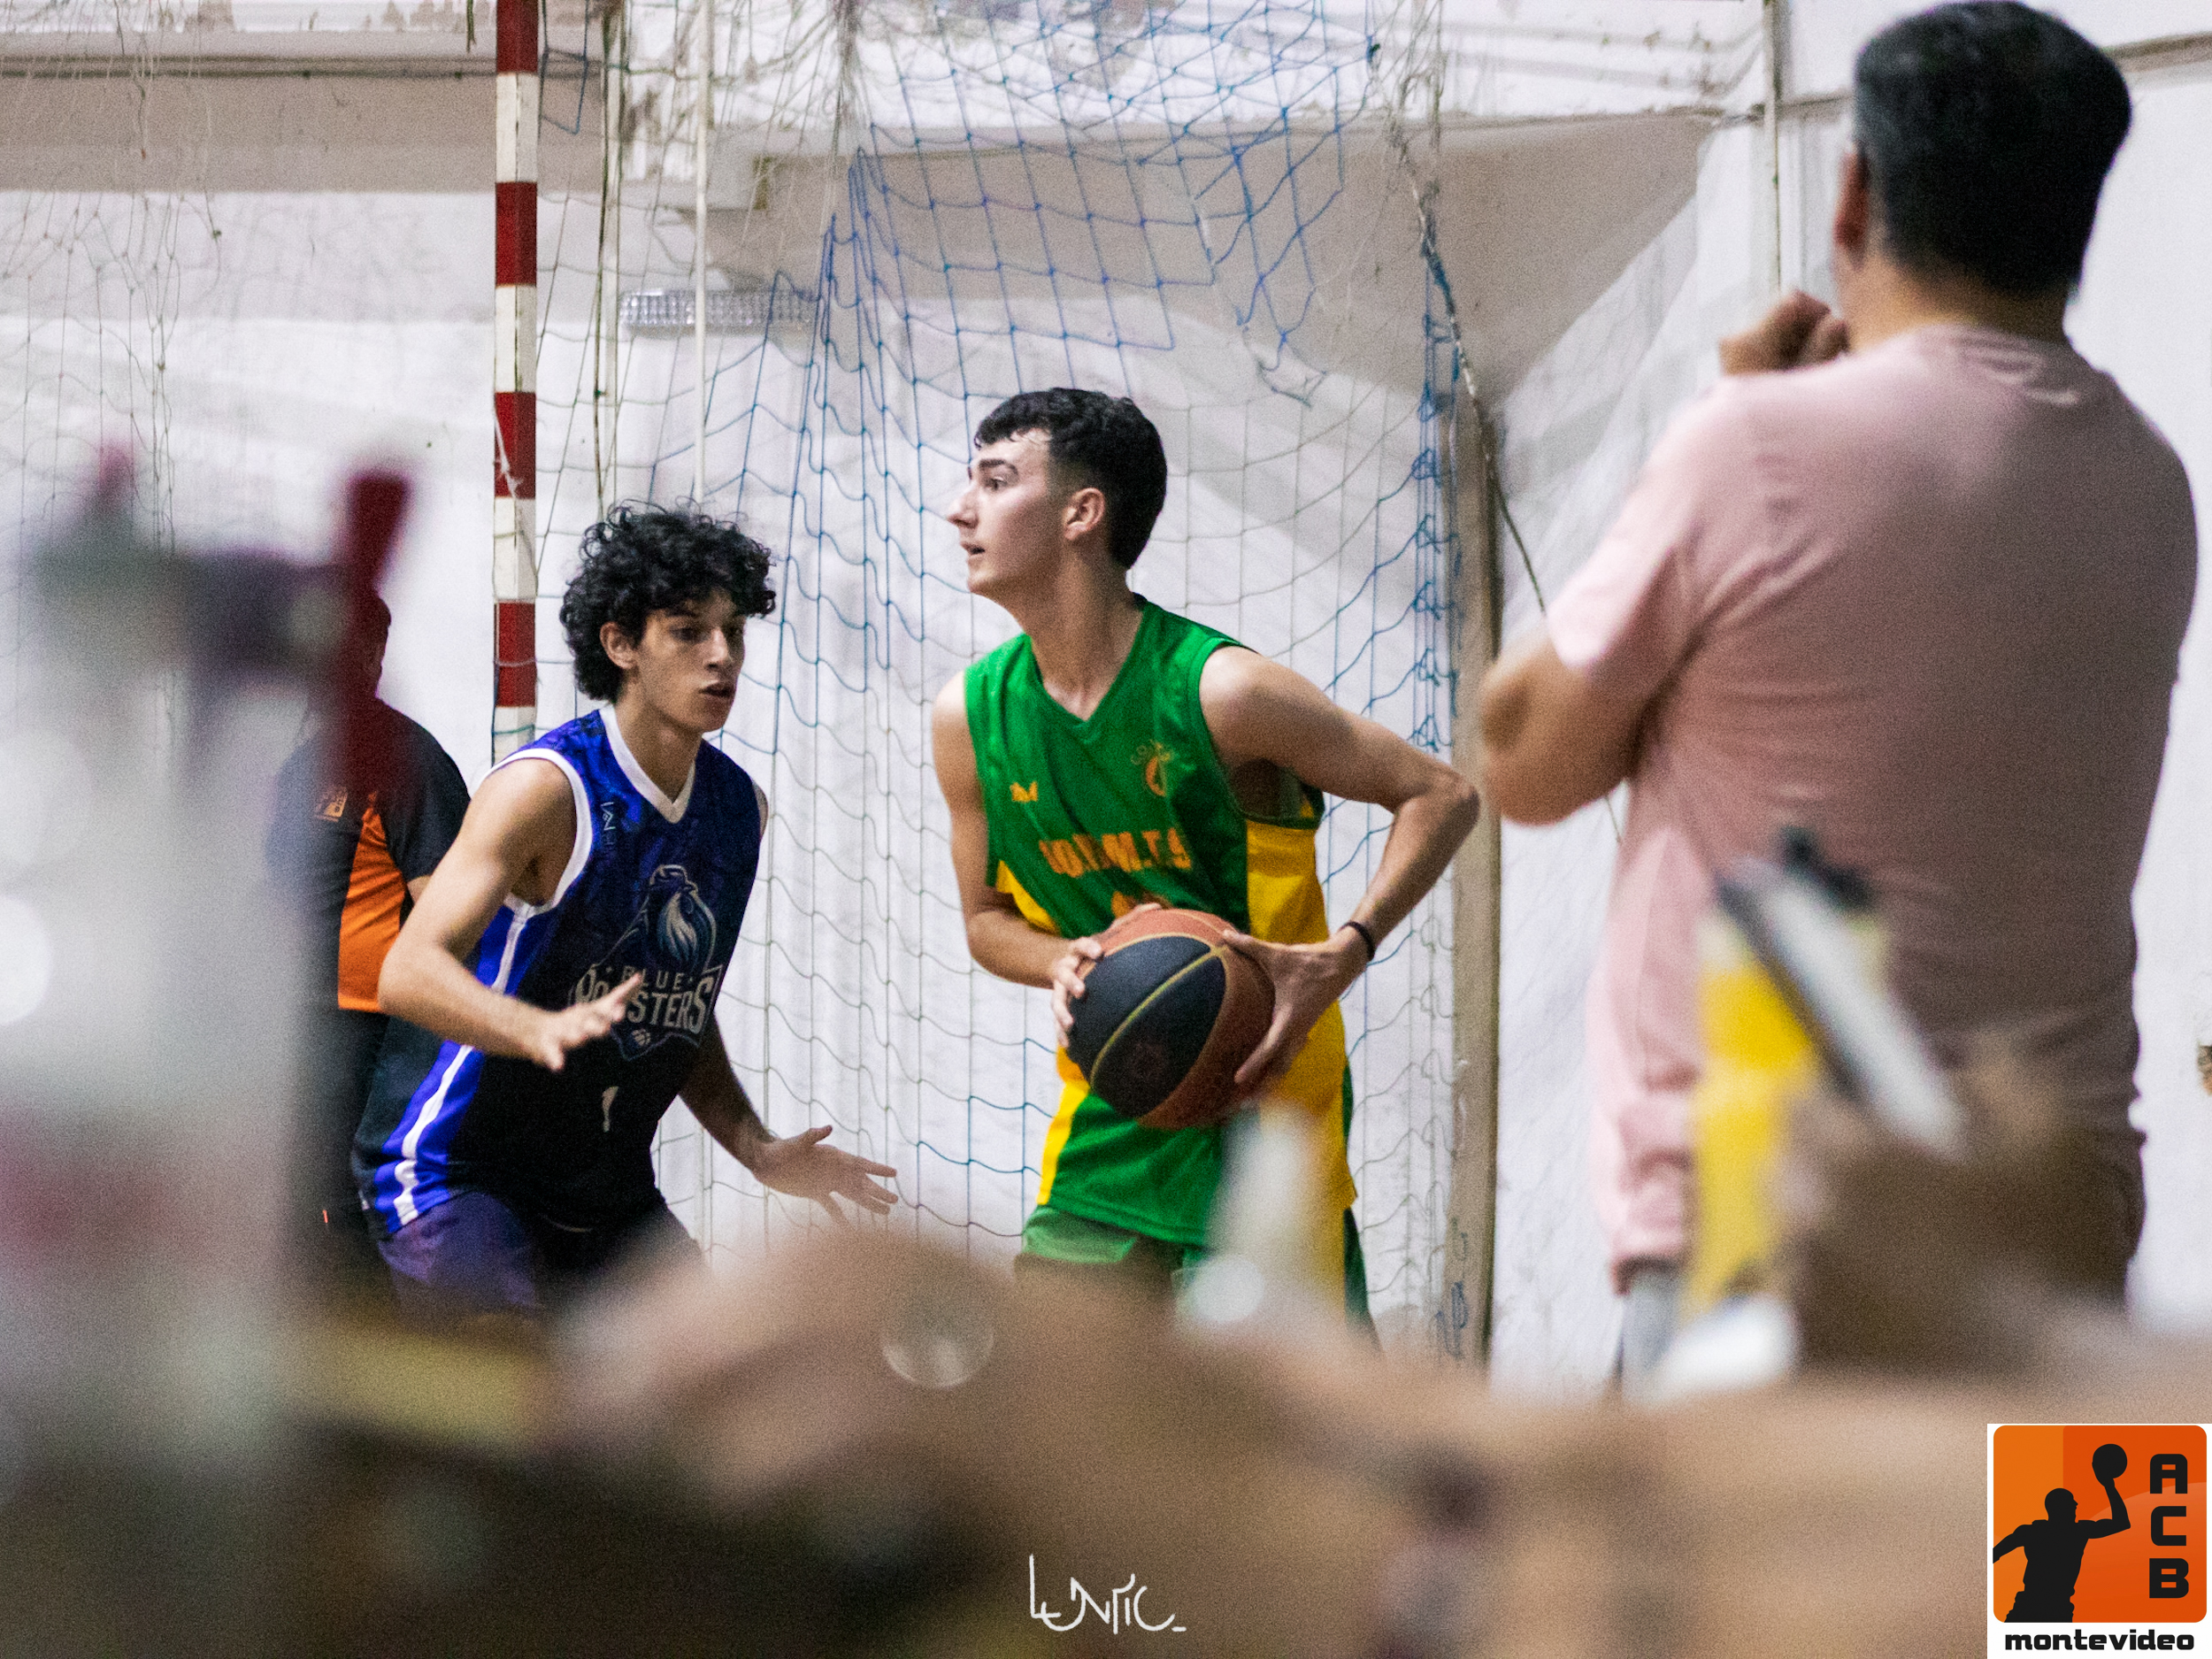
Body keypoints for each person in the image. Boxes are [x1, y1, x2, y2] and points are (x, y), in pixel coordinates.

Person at [1478, 1, 2196, 1378]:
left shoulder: (1752, 448)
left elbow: (1524, 755)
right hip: (2063, 1225)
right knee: (2050, 1541)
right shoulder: (2152, 484)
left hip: (1784, 1226)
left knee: (1704, 1539)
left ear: (1853, 192)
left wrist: (1725, 418)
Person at [929, 388, 1481, 1319]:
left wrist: (1343, 952)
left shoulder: (1224, 693)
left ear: (1081, 512)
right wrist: (1060, 959)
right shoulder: (968, 718)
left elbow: (1442, 794)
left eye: (993, 480)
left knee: (1285, 1414)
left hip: (1266, 1124)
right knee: (1047, 1395)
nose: (960, 508)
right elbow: (986, 924)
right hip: (1111, 1117)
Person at [357, 504, 896, 1318]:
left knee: (713, 1375)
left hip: (602, 1189)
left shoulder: (737, 810)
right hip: (458, 1171)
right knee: (516, 1387)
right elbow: (407, 972)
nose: (722, 655)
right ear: (620, 645)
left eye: (733, 631)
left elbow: (677, 1007)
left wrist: (754, 1146)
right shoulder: (545, 790)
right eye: (688, 631)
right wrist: (533, 1027)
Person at [268, 588, 469, 1292]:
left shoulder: (408, 760)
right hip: (291, 1030)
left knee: (350, 1210)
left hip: (369, 1036)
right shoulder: (302, 763)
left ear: (376, 656)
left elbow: (454, 914)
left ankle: (378, 1338)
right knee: (294, 1210)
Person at [1994, 1477, 2131, 1624]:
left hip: (2035, 1607)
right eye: (2071, 1501)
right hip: (2050, 1609)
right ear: (2060, 1507)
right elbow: (2121, 1522)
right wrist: (2109, 1486)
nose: (2076, 1504)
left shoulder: (2032, 1532)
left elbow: (1995, 1553)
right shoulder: (2078, 1532)